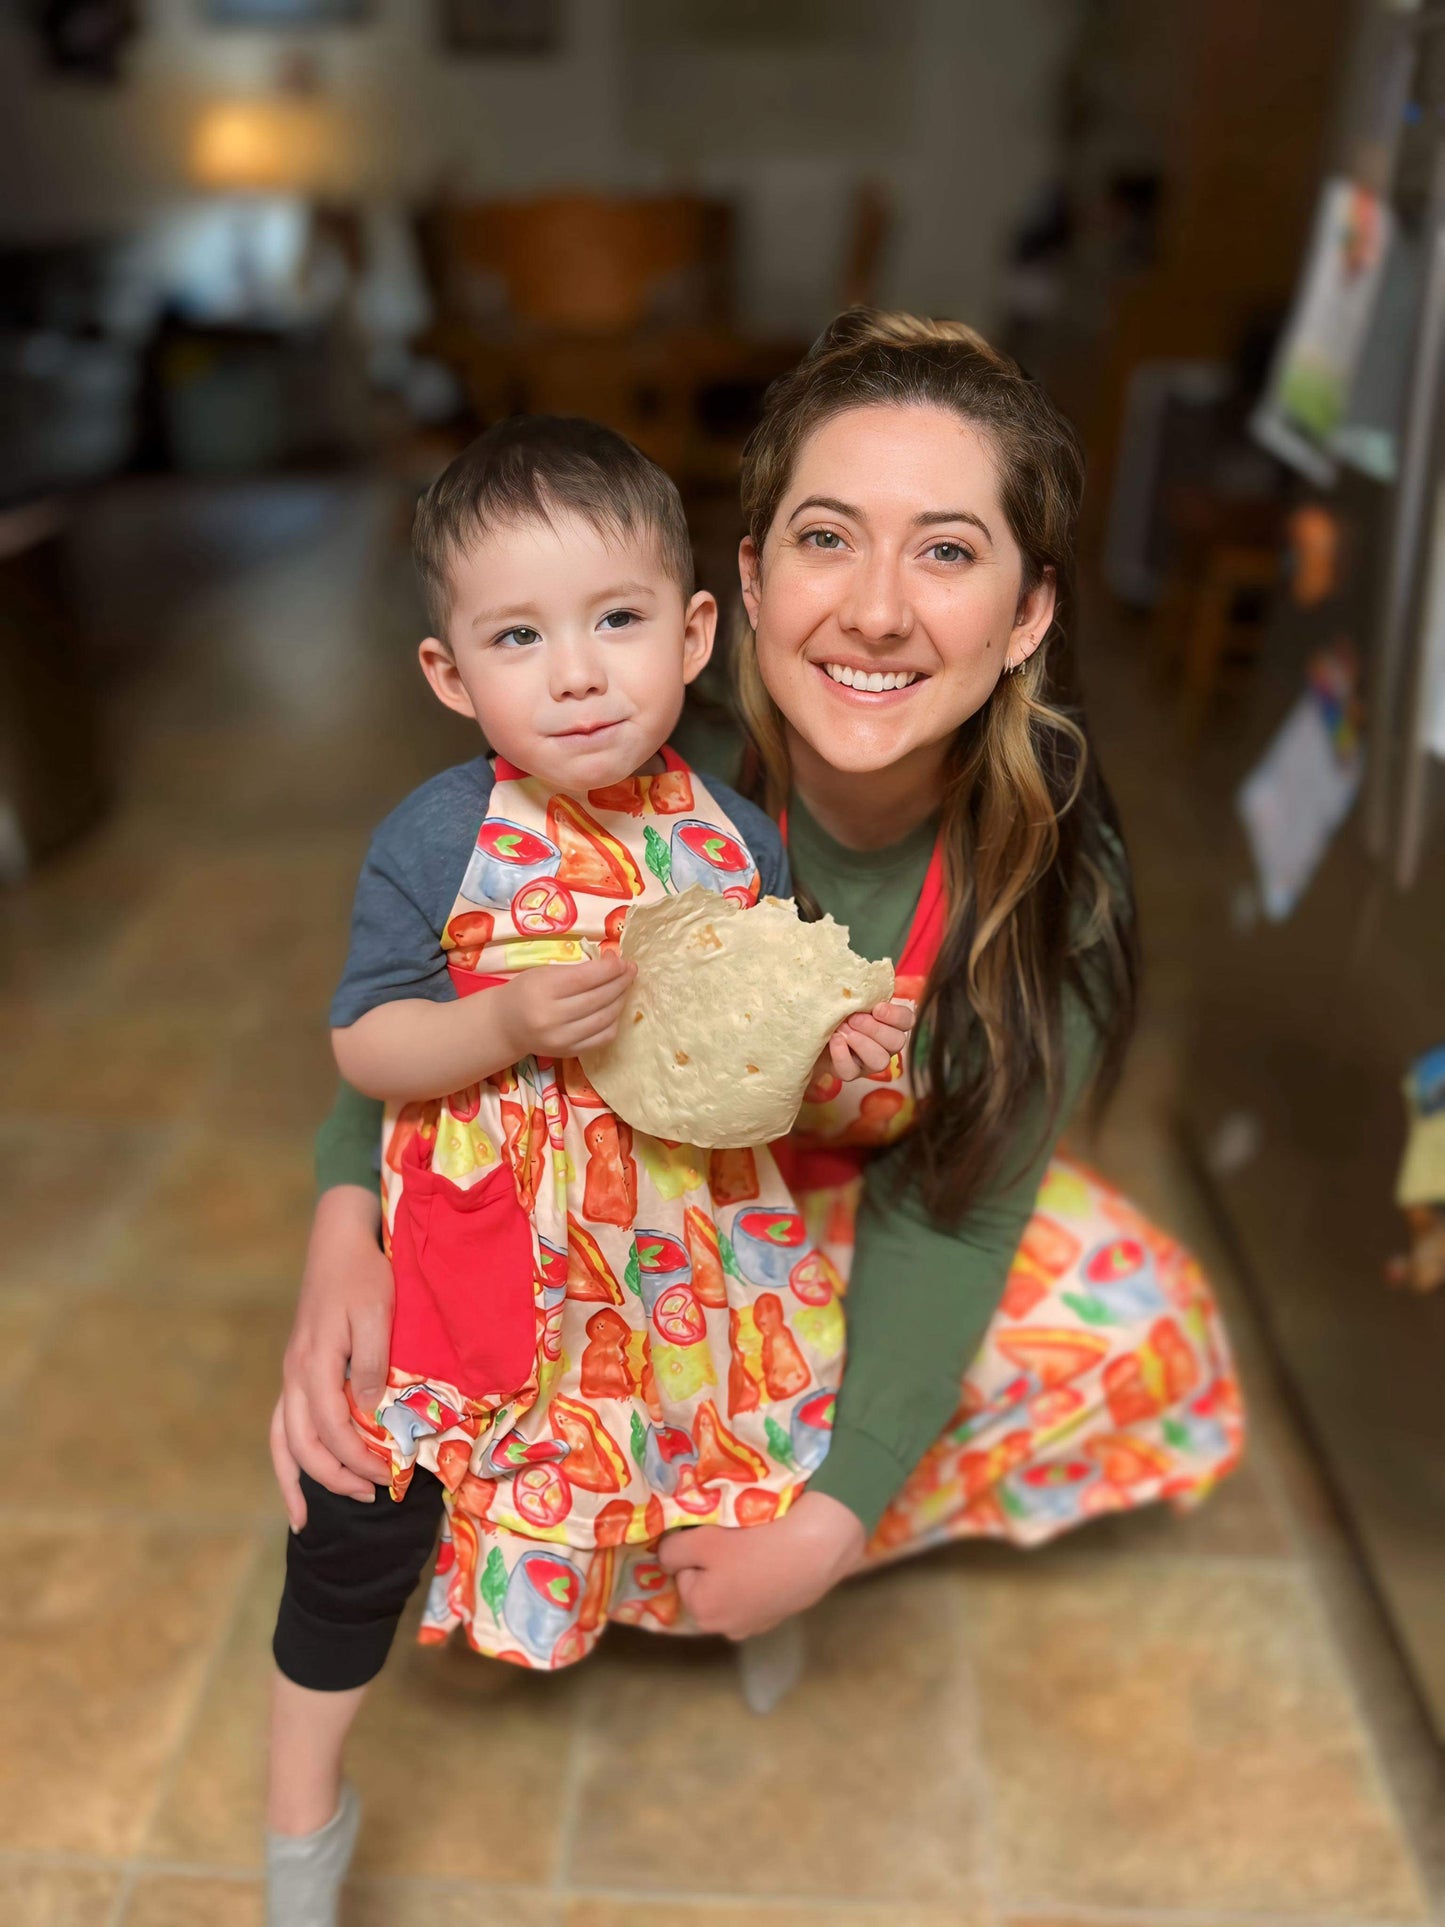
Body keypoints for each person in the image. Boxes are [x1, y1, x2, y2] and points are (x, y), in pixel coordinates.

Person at [274, 307, 1242, 1669]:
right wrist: (342, 1234)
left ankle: (702, 1543)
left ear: (1026, 615)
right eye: (826, 537)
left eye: (949, 553)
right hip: (593, 1231)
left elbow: (960, 1216)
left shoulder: (1047, 877)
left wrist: (833, 1520)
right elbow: (424, 993)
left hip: (828, 1240)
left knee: (1128, 1310)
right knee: (401, 1437)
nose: (876, 611)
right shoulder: (624, 743)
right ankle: (587, 1536)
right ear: (740, 582)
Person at [265, 413, 913, 1920]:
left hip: (686, 1249)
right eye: (517, 635)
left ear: (691, 635)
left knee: (722, 1451)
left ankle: (752, 1615)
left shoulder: (736, 841)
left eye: (615, 621)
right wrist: (493, 1023)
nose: (573, 672)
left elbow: (755, 1069)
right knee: (365, 1503)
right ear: (450, 674)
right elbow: (365, 1050)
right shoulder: (436, 841)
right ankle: (303, 1813)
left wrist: (832, 1057)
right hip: (488, 1250)